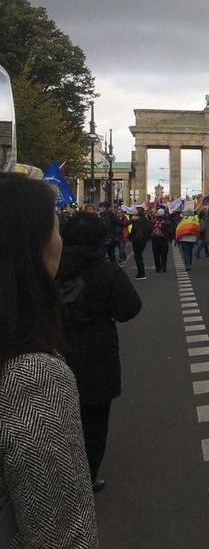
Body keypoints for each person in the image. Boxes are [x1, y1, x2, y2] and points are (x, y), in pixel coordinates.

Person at [0, 173, 99, 547]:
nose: (61, 240)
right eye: (57, 227)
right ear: (32, 246)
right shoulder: (31, 377)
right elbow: (62, 534)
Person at [56, 212, 142, 492]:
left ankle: (56, 472)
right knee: (94, 420)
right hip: (96, 350)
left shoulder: (47, 267)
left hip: (54, 347)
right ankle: (87, 477)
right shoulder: (106, 270)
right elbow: (128, 309)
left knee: (58, 415)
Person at [128, 206, 151, 280]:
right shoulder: (145, 219)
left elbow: (133, 230)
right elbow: (149, 229)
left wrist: (130, 237)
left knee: (138, 257)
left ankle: (141, 274)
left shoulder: (136, 220)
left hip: (137, 240)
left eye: (135, 210)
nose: (133, 211)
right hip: (142, 240)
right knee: (138, 256)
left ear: (138, 212)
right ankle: (141, 273)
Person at [149, 208, 170, 273]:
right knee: (164, 254)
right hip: (164, 240)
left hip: (155, 240)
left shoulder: (152, 221)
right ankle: (163, 267)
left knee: (156, 255)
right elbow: (169, 231)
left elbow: (149, 229)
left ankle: (158, 268)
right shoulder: (167, 222)